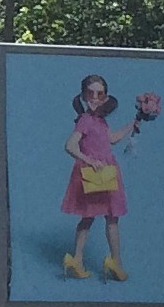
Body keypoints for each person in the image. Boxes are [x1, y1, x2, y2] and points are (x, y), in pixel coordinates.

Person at [60, 72, 140, 281]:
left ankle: (104, 260)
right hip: (95, 172)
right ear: (84, 96)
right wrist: (89, 160)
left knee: (108, 217)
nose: (95, 98)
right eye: (90, 93)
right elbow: (70, 145)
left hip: (107, 171)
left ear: (105, 97)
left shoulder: (100, 121)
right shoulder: (85, 120)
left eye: (100, 94)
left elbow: (111, 139)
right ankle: (85, 259)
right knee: (93, 217)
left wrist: (132, 124)